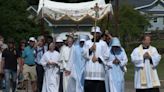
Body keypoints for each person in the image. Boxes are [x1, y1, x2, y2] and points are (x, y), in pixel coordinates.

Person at [83, 26, 109, 92]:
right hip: (89, 71)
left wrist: (98, 59)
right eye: (94, 33)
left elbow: (107, 55)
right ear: (92, 34)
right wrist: (90, 49)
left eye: (97, 33)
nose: (96, 35)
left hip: (99, 70)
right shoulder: (87, 43)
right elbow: (83, 54)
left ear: (99, 34)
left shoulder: (103, 43)